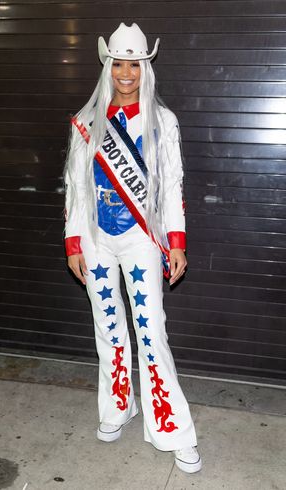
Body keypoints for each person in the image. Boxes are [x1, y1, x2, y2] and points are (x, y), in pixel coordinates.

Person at [64, 22, 202, 474]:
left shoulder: (163, 121)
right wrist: (74, 242)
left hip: (142, 239)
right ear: (107, 67)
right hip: (98, 242)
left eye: (135, 65)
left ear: (146, 68)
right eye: (118, 64)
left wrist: (176, 242)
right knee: (108, 329)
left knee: (150, 331)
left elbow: (175, 184)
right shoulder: (87, 122)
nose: (126, 73)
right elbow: (75, 189)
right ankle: (116, 409)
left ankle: (172, 428)